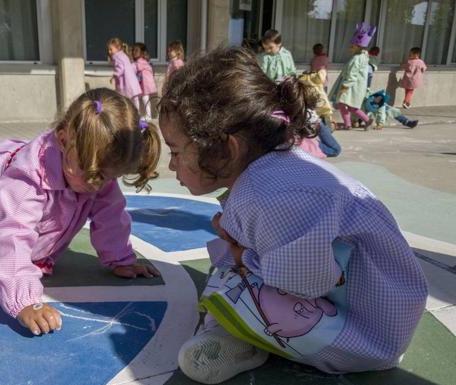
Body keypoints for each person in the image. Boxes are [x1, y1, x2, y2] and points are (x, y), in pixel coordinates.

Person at [158, 46, 427, 384]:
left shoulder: (264, 195)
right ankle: (239, 329)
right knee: (230, 263)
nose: (171, 165)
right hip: (377, 313)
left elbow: (306, 281)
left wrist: (243, 255)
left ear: (227, 148)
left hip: (366, 336)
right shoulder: (274, 170)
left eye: (176, 151)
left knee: (227, 281)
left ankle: (235, 334)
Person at [0, 88, 162, 336]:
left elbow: (111, 214)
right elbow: (14, 233)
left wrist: (121, 260)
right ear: (63, 141)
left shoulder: (93, 169)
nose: (101, 184)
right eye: (97, 175)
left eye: (110, 177)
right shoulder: (28, 176)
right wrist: (24, 302)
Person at [330, 23, 376, 130]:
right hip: (356, 86)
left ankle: (357, 122)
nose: (350, 48)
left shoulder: (356, 59)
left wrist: (344, 86)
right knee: (349, 105)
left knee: (346, 105)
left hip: (352, 86)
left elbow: (352, 75)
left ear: (358, 47)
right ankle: (356, 122)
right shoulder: (363, 56)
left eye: (352, 46)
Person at [108, 38, 142, 103]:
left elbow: (120, 68)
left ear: (118, 48)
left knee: (124, 100)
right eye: (109, 49)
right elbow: (133, 67)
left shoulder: (117, 56)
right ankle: (136, 111)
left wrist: (114, 76)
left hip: (125, 82)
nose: (109, 51)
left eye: (111, 49)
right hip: (132, 81)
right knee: (134, 99)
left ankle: (128, 111)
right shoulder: (124, 55)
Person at [133, 42, 157, 121]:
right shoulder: (144, 61)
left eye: (136, 51)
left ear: (142, 53)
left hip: (145, 84)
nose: (134, 52)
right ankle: (147, 114)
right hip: (144, 84)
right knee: (144, 99)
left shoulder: (140, 61)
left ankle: (148, 115)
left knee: (144, 99)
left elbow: (137, 68)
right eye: (134, 50)